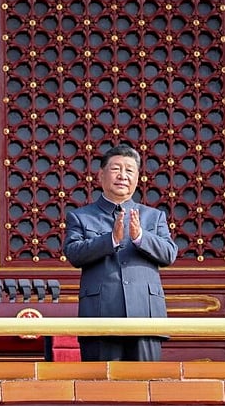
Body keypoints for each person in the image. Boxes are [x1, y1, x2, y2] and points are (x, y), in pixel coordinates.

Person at [63, 144, 178, 361]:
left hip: (145, 315)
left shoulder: (154, 216)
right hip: (100, 314)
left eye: (129, 170)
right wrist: (111, 240)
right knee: (102, 387)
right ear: (101, 175)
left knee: (146, 387)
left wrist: (139, 237)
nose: (122, 176)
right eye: (116, 169)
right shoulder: (80, 216)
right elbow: (73, 253)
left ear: (137, 178)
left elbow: (169, 254)